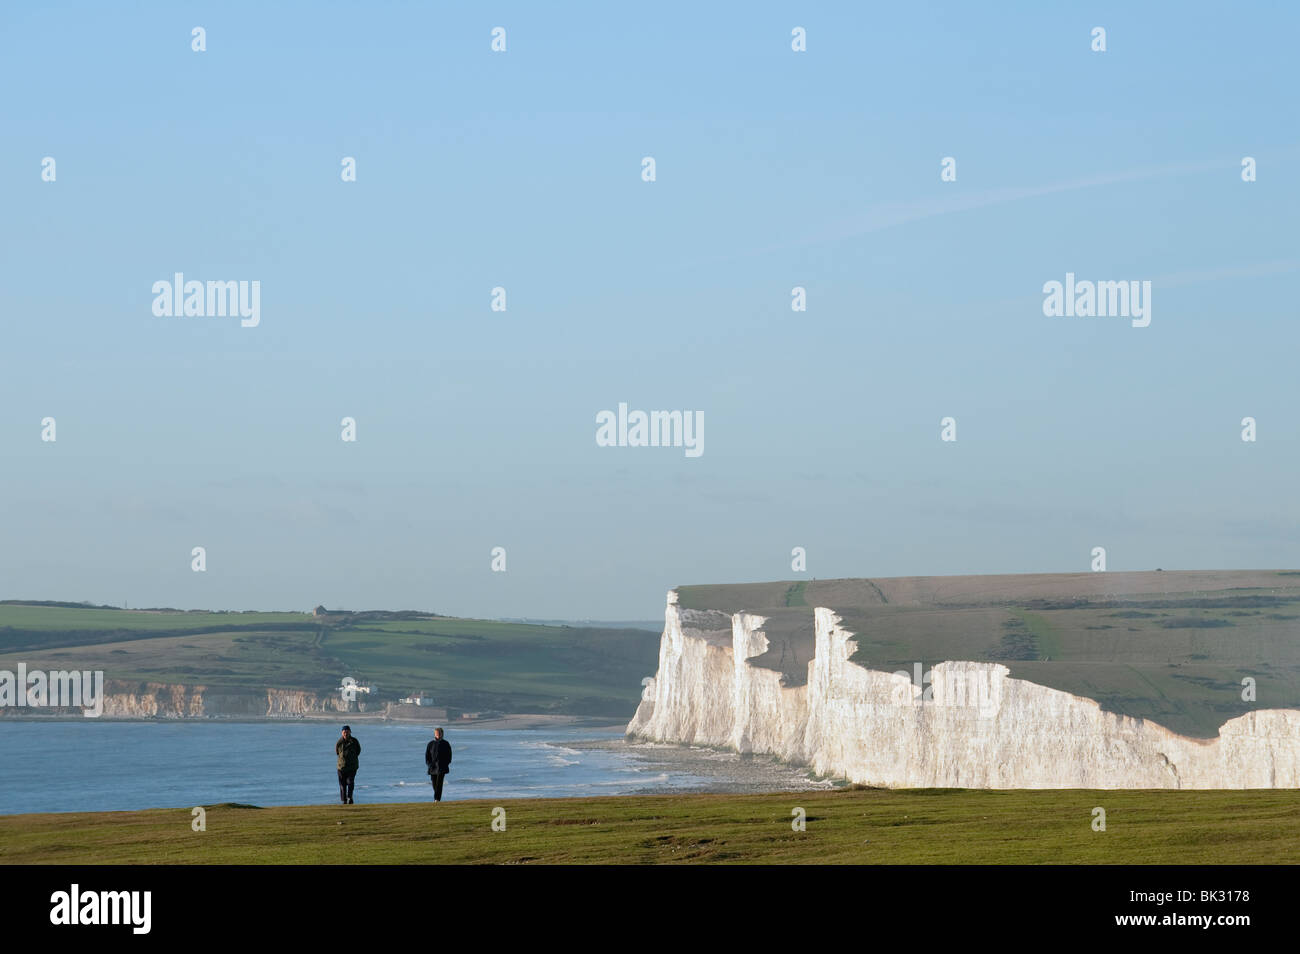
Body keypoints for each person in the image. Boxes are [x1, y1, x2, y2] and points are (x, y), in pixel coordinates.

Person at [424, 727, 452, 801]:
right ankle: (437, 797)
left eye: (439, 733)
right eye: (436, 733)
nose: (438, 735)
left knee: (439, 783)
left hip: (442, 766)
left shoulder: (446, 743)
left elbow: (449, 755)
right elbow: (427, 755)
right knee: (434, 783)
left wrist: (446, 763)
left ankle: (437, 799)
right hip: (432, 767)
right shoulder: (430, 744)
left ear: (442, 734)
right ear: (434, 734)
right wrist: (429, 764)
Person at [335, 725, 361, 804]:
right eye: (344, 732)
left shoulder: (354, 741)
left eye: (347, 732)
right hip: (341, 767)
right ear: (342, 733)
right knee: (342, 785)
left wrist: (352, 758)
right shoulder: (339, 742)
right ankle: (344, 799)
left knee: (350, 782)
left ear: (350, 732)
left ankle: (350, 797)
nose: (345, 733)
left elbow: (358, 751)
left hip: (352, 767)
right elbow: (337, 752)